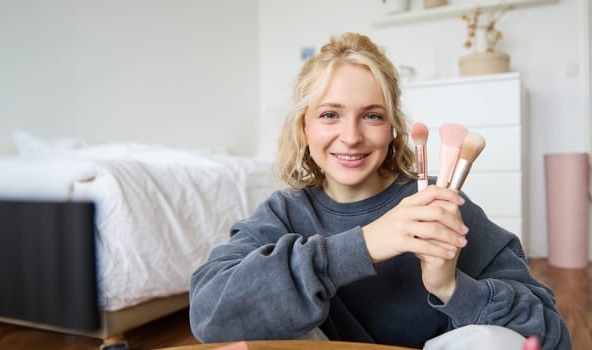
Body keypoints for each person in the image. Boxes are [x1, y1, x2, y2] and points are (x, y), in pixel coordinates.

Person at [189, 32, 571, 350]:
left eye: (372, 115)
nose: (352, 137)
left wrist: (452, 287)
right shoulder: (282, 214)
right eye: (329, 115)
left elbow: (551, 335)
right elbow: (209, 314)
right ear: (304, 128)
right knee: (263, 325)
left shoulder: (441, 205)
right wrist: (365, 244)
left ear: (392, 129)